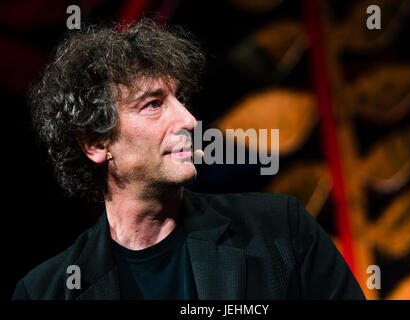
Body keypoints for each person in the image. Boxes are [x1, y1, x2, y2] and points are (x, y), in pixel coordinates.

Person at [12, 19, 365, 300]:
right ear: (95, 143)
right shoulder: (47, 291)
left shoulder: (281, 231)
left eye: (179, 98)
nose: (187, 121)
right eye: (153, 105)